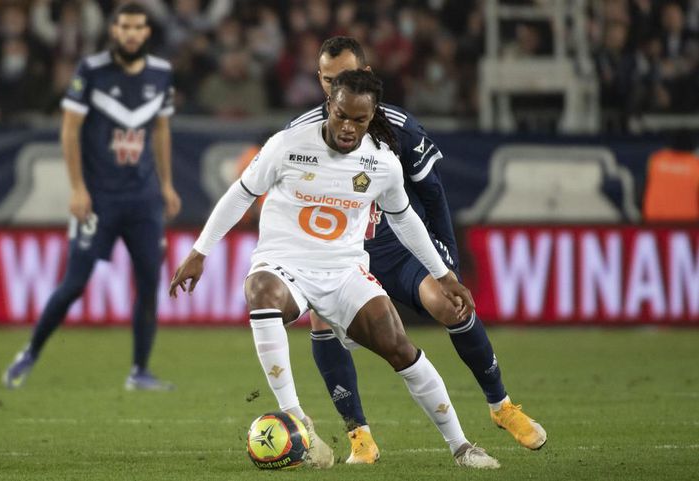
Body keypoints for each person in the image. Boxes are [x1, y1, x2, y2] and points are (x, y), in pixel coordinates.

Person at [170, 69, 500, 470]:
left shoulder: (382, 163)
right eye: (341, 115)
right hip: (284, 264)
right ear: (330, 105)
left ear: (372, 115)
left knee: (400, 348)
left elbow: (405, 220)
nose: (347, 127)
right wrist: (200, 250)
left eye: (359, 120)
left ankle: (462, 446)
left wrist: (444, 275)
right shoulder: (288, 144)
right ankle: (296, 419)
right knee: (260, 290)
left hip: (344, 271)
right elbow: (242, 192)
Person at [285, 37, 546, 463]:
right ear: (319, 80)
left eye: (346, 79)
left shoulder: (399, 129)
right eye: (329, 81)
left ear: (367, 76)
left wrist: (448, 264)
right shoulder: (302, 134)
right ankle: (359, 437)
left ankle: (502, 407)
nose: (337, 90)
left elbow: (432, 195)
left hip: (395, 248)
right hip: (340, 254)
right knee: (320, 320)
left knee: (451, 305)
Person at [2, 2, 181, 391]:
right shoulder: (92, 71)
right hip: (99, 198)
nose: (131, 34)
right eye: (125, 27)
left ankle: (139, 371)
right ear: (114, 30)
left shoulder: (162, 74)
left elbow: (162, 130)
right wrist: (78, 188)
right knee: (74, 284)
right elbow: (69, 130)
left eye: (138, 27)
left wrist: (166, 184)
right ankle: (30, 352)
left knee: (149, 283)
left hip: (144, 198)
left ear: (146, 33)